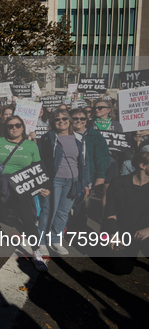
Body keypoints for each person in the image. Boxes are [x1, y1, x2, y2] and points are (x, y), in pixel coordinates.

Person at [0, 116, 50, 272]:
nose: (14, 128)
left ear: (23, 127)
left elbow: (38, 168)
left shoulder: (31, 145)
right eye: (10, 126)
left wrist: (44, 187)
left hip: (21, 187)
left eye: (18, 125)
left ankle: (37, 252)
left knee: (28, 219)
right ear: (6, 128)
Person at [37, 109, 90, 255]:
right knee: (48, 211)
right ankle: (41, 241)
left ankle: (55, 239)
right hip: (54, 180)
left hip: (72, 181)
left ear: (70, 120)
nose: (61, 121)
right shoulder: (47, 138)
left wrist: (86, 183)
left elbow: (84, 163)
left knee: (63, 212)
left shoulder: (79, 138)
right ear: (52, 122)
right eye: (57, 119)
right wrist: (42, 183)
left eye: (64, 118)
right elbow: (40, 161)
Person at [102, 151, 149, 275]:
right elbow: (110, 211)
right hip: (124, 233)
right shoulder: (118, 183)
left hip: (146, 232)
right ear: (142, 165)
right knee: (121, 269)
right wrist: (113, 234)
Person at [68, 109, 110, 230]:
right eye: (75, 118)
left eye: (82, 118)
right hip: (67, 175)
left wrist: (100, 176)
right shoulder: (64, 134)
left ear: (86, 121)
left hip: (87, 176)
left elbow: (103, 157)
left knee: (81, 204)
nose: (79, 121)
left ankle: (78, 229)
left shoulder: (95, 136)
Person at [91, 100, 123, 213]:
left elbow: (121, 144)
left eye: (100, 108)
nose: (97, 110)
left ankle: (106, 218)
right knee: (88, 189)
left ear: (109, 110)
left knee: (107, 190)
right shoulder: (90, 123)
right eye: (95, 108)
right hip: (92, 161)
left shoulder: (116, 125)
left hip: (111, 161)